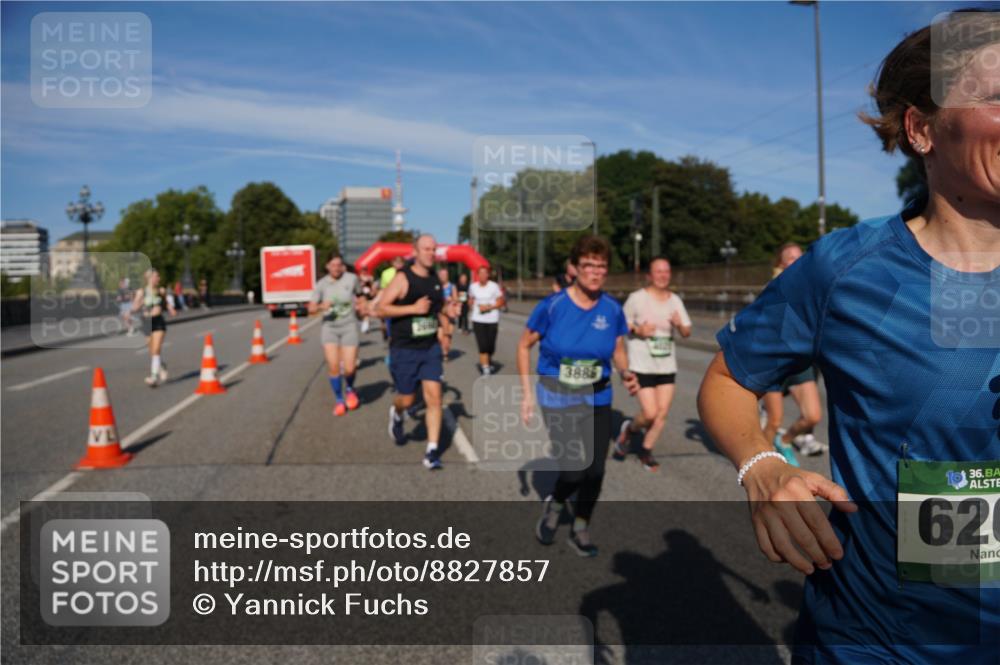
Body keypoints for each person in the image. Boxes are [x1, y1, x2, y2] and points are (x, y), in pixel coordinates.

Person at [698, 11, 999, 662]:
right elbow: (726, 379)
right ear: (922, 128)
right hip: (877, 641)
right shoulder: (846, 270)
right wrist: (763, 466)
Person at [518, 235, 638, 556]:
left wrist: (626, 373)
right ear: (574, 268)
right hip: (558, 395)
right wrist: (527, 394)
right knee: (573, 469)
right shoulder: (553, 306)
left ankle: (581, 526)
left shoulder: (612, 309)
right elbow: (523, 345)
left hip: (598, 396)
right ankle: (556, 506)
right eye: (588, 265)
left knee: (595, 470)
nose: (595, 272)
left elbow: (617, 349)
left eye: (601, 267)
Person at [377, 235, 451, 470]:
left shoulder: (436, 279)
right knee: (407, 399)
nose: (431, 253)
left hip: (429, 348)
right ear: (415, 252)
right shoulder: (403, 278)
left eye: (434, 249)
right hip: (404, 349)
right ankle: (397, 414)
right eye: (426, 249)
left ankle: (432, 450)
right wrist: (413, 308)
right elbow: (381, 308)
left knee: (435, 398)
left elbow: (438, 309)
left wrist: (448, 317)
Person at [615, 257, 692, 471]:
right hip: (641, 364)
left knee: (661, 414)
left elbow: (687, 331)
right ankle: (630, 430)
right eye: (658, 271)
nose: (663, 275)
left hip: (667, 366)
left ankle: (646, 451)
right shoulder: (637, 299)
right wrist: (637, 330)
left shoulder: (675, 300)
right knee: (649, 413)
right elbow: (621, 324)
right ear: (649, 275)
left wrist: (678, 325)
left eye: (666, 271)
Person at [760, 242, 827, 465]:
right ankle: (765, 465)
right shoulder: (774, 287)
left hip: (800, 360)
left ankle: (785, 440)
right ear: (781, 263)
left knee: (812, 416)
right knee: (773, 420)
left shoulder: (814, 288)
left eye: (800, 257)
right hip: (776, 361)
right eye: (790, 257)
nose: (797, 261)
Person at [308, 252, 366, 416]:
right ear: (327, 266)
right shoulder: (321, 284)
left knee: (349, 368)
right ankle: (340, 400)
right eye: (333, 265)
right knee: (333, 366)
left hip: (349, 326)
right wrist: (320, 306)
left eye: (339, 265)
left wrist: (362, 307)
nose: (336, 268)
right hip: (330, 328)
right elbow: (310, 308)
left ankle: (349, 388)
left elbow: (361, 296)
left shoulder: (351, 279)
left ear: (343, 266)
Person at [132, 269, 176, 387]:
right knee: (152, 351)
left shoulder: (161, 290)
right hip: (146, 323)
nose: (159, 278)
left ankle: (153, 377)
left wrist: (171, 309)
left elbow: (166, 303)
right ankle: (161, 365)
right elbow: (135, 307)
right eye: (157, 276)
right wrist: (139, 302)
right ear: (149, 278)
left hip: (158, 322)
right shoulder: (142, 292)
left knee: (156, 349)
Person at [468, 265, 505, 375]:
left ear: (488, 275)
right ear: (478, 275)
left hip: (492, 319)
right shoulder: (473, 287)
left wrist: (489, 307)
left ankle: (488, 360)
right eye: (481, 273)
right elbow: (471, 299)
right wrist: (470, 304)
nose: (483, 275)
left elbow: (501, 302)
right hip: (477, 319)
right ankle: (485, 368)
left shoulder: (494, 286)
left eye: (485, 273)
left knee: (490, 346)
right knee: (482, 345)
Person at [437, 267, 457, 362]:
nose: (442, 277)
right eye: (441, 275)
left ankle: (445, 354)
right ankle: (442, 350)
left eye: (444, 275)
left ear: (447, 276)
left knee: (447, 336)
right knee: (440, 337)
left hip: (449, 314)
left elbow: (456, 299)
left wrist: (451, 300)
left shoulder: (452, 286)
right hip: (439, 314)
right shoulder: (436, 286)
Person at [358, 266, 376, 334]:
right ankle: (362, 323)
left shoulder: (370, 278)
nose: (364, 272)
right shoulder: (358, 278)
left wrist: (373, 292)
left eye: (365, 270)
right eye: (363, 270)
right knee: (360, 312)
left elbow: (373, 286)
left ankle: (365, 326)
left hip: (367, 295)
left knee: (366, 311)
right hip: (360, 295)